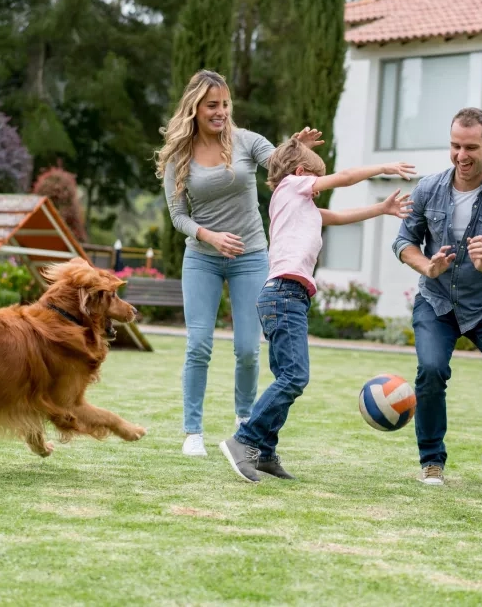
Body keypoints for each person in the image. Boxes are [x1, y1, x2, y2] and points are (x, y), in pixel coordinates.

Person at [219, 137, 416, 482]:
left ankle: (264, 452)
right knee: (296, 376)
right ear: (299, 174)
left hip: (285, 296)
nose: (318, 188)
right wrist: (384, 168)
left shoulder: (298, 205)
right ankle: (244, 440)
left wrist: (381, 209)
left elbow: (338, 216)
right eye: (316, 179)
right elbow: (346, 176)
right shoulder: (293, 187)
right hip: (284, 295)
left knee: (288, 377)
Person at [155, 70, 323, 457]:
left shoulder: (248, 142)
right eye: (212, 105)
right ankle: (192, 431)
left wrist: (297, 149)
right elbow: (178, 216)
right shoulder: (178, 157)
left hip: (251, 258)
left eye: (225, 104)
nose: (221, 112)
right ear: (195, 108)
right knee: (198, 345)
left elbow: (284, 170)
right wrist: (210, 236)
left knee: (248, 348)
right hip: (202, 259)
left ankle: (245, 421)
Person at [393, 107, 482, 488]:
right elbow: (404, 241)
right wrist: (426, 266)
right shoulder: (428, 188)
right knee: (432, 369)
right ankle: (432, 459)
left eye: (471, 147)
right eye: (455, 146)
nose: (461, 155)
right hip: (436, 301)